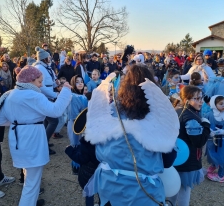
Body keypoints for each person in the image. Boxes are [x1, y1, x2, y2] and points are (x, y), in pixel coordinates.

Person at [84, 65, 179, 206]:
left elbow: (91, 150)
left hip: (109, 188)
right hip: (143, 193)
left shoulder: (109, 113)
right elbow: (168, 160)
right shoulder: (158, 120)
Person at [0, 65, 72, 206]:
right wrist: (66, 91)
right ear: (30, 80)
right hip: (31, 138)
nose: (41, 85)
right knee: (32, 182)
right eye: (39, 81)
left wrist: (20, 121)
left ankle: (31, 202)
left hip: (18, 137)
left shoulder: (10, 94)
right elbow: (56, 110)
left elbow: (1, 120)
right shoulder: (34, 95)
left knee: (29, 175)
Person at [168, 85, 211, 206]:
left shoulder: (177, 110)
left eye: (201, 98)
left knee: (173, 188)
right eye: (197, 99)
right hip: (187, 161)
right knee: (185, 190)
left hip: (176, 158)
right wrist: (206, 126)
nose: (201, 101)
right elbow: (199, 141)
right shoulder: (190, 118)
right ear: (187, 100)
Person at [204, 95, 224, 183]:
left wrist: (221, 131)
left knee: (223, 157)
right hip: (212, 141)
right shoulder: (209, 115)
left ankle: (220, 175)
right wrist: (208, 130)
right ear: (214, 104)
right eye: (221, 104)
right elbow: (204, 124)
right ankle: (214, 165)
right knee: (213, 154)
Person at [34, 47, 59, 155]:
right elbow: (41, 86)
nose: (50, 58)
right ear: (44, 58)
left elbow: (50, 82)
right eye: (48, 57)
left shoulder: (46, 67)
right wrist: (55, 95)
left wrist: (57, 84)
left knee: (47, 121)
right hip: (45, 97)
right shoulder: (39, 68)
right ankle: (43, 144)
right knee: (54, 121)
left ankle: (44, 141)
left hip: (49, 96)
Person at [67, 75, 88, 174]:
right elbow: (74, 115)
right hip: (76, 125)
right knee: (76, 145)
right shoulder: (74, 97)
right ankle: (76, 168)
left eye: (81, 81)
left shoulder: (82, 96)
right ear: (73, 84)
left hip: (82, 124)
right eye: (77, 82)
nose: (80, 83)